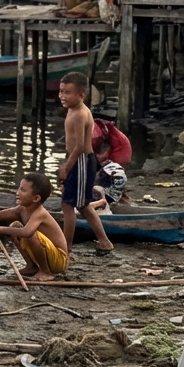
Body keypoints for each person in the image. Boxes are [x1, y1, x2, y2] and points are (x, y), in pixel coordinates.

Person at [0, 173, 70, 281]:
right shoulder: (22, 209)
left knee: (29, 233)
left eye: (23, 190)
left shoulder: (40, 213)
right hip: (49, 256)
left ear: (36, 198)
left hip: (59, 260)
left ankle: (46, 272)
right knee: (15, 226)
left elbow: (27, 232)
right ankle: (31, 266)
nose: (17, 193)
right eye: (19, 188)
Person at [57, 71, 115, 255]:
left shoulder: (81, 113)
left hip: (81, 161)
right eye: (61, 91)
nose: (62, 96)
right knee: (82, 205)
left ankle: (66, 247)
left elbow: (81, 146)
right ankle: (104, 242)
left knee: (68, 205)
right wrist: (67, 163)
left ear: (81, 95)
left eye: (67, 92)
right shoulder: (72, 110)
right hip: (78, 160)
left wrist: (67, 167)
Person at [88, 139, 129, 215]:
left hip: (108, 194)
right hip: (116, 194)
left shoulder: (105, 168)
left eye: (98, 154)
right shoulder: (115, 166)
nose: (97, 156)